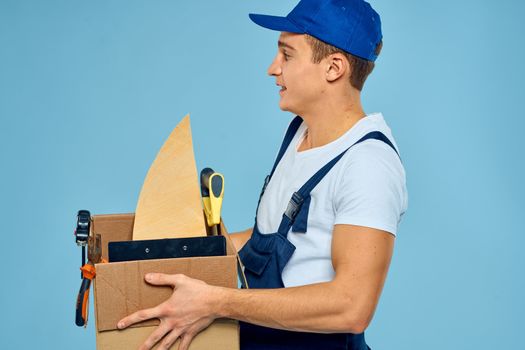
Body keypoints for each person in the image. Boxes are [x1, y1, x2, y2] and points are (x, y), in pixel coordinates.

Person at [117, 0, 408, 349]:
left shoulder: (367, 164)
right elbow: (266, 238)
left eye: (287, 55)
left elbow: (352, 306)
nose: (272, 69)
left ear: (333, 68)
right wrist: (166, 256)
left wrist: (215, 301)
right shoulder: (300, 133)